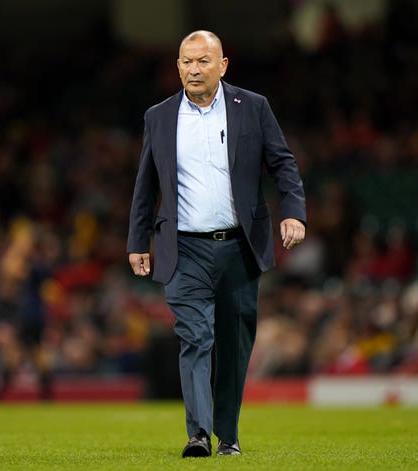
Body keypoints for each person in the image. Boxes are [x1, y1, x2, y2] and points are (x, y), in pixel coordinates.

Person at [127, 30, 306, 458]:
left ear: (223, 65)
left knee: (234, 343)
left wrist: (294, 211)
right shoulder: (159, 115)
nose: (193, 69)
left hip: (239, 247)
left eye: (203, 61)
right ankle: (199, 434)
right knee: (195, 336)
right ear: (177, 66)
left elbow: (283, 162)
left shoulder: (253, 107)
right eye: (186, 61)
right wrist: (137, 240)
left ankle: (228, 436)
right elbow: (146, 184)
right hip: (183, 248)